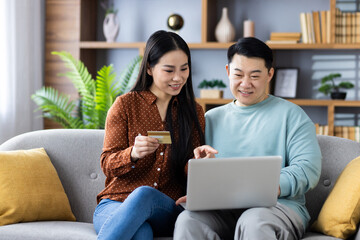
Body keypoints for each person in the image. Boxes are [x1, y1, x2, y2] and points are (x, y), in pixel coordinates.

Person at [174, 37, 322, 240]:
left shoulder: (292, 115)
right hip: (221, 209)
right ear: (227, 72)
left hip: (276, 208)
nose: (245, 83)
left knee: (253, 221)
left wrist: (265, 187)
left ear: (270, 74)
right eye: (238, 74)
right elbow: (195, 167)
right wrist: (200, 175)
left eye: (254, 75)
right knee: (188, 220)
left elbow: (308, 168)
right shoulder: (210, 119)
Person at [93, 30, 205, 240]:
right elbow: (107, 164)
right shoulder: (125, 105)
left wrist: (200, 163)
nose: (178, 77)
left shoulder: (193, 112)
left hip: (166, 208)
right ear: (150, 69)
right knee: (141, 234)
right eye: (169, 70)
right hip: (116, 203)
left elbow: (191, 170)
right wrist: (132, 154)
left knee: (144, 194)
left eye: (184, 68)